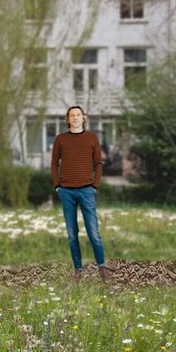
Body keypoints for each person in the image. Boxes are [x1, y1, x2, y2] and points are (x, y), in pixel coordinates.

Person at [51, 105, 109, 283]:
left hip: (86, 190)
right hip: (66, 191)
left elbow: (98, 163)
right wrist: (57, 186)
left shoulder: (92, 138)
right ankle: (78, 270)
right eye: (72, 115)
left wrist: (95, 186)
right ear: (67, 120)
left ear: (83, 118)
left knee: (93, 232)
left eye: (78, 115)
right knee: (71, 234)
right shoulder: (60, 139)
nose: (75, 118)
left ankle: (102, 267)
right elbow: (54, 164)